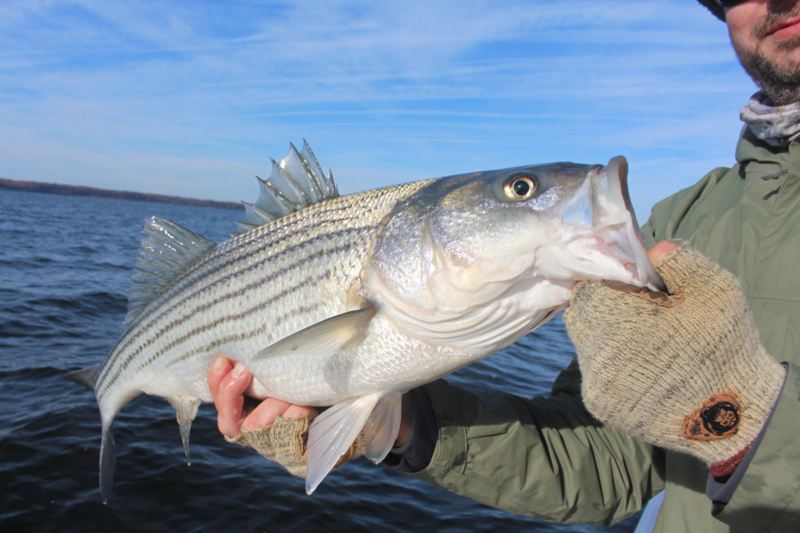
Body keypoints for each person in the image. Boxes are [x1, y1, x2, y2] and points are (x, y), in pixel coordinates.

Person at [208, 1, 800, 531]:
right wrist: (399, 425)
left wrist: (739, 425)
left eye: (520, 188)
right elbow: (609, 468)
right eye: (522, 189)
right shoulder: (687, 219)